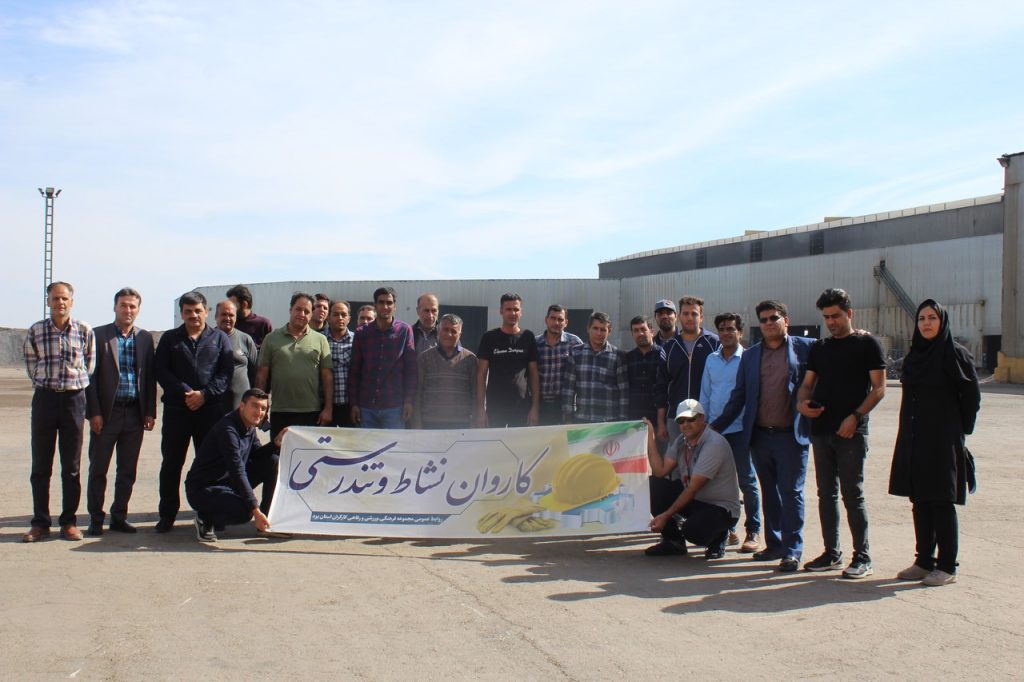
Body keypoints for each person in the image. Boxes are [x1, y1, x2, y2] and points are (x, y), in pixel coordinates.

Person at [712, 300, 814, 572]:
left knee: (791, 493)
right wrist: (714, 428)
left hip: (790, 436)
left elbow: (838, 347)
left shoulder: (807, 347)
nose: (769, 323)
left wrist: (859, 335)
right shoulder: (751, 356)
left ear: (786, 320)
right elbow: (739, 397)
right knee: (769, 493)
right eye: (764, 319)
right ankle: (774, 544)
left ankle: (792, 551)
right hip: (760, 436)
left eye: (774, 318)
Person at [889, 299, 980, 587]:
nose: (926, 323)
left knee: (941, 501)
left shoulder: (956, 355)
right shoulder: (914, 356)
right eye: (921, 318)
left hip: (943, 439)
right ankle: (924, 561)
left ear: (943, 321)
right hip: (914, 436)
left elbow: (972, 398)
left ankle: (947, 565)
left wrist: (959, 431)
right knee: (920, 499)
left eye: (932, 318)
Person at [797, 289, 886, 578]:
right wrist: (802, 404)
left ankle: (862, 556)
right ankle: (831, 553)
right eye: (826, 317)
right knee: (826, 495)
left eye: (835, 316)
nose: (831, 322)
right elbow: (807, 385)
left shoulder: (867, 344)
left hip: (851, 433)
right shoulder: (820, 348)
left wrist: (856, 417)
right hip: (821, 430)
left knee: (852, 494)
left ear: (849, 313)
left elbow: (879, 388)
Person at [154, 291, 234, 533]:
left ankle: (211, 514)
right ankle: (167, 514)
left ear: (206, 312)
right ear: (181, 314)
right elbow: (161, 370)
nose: (193, 315)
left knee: (210, 464)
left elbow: (225, 372)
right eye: (188, 311)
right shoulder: (170, 339)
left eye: (198, 311)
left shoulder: (219, 338)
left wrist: (205, 395)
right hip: (177, 410)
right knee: (172, 463)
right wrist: (187, 392)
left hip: (210, 411)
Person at [22, 281, 96, 542]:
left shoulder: (84, 330)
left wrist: (71, 384)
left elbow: (90, 364)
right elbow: (31, 364)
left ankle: (69, 522)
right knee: (41, 465)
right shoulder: (37, 330)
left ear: (71, 302)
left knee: (71, 467)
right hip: (45, 399)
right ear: (48, 302)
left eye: (64, 298)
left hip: (74, 401)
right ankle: (40, 522)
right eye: (55, 298)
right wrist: (47, 384)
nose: (60, 303)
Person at [84, 287, 156, 536]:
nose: (128, 310)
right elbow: (90, 378)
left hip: (134, 414)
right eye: (123, 305)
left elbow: (149, 377)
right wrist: (94, 412)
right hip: (107, 414)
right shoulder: (98, 335)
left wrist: (149, 411)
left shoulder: (144, 338)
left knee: (127, 470)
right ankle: (95, 518)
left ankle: (119, 516)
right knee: (98, 469)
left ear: (138, 309)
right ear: (115, 307)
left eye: (132, 306)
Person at [645, 400, 741, 560]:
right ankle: (674, 542)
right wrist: (650, 437)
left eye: (691, 419)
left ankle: (719, 535)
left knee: (692, 531)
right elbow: (660, 471)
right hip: (696, 500)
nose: (685, 424)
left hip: (720, 508)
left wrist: (665, 516)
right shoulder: (681, 441)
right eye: (681, 421)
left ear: (702, 418)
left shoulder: (714, 444)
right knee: (653, 485)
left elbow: (693, 488)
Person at [185, 389, 280, 542]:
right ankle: (205, 519)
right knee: (245, 512)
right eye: (254, 406)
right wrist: (255, 509)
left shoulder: (249, 425)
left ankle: (267, 520)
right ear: (242, 406)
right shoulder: (228, 429)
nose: (259, 412)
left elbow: (256, 455)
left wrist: (275, 443)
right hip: (203, 489)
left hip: (228, 483)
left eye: (263, 408)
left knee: (273, 461)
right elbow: (237, 470)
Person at [700, 312, 760, 554]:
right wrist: (704, 426)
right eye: (722, 329)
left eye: (731, 329)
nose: (726, 333)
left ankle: (753, 530)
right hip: (715, 431)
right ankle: (727, 531)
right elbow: (706, 394)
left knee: (747, 481)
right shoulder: (711, 360)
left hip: (740, 431)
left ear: (740, 332)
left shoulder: (749, 359)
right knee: (718, 485)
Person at [255, 292, 333, 439]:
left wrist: (328, 408)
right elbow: (262, 374)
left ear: (311, 314)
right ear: (290, 310)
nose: (302, 314)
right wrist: (260, 405)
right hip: (280, 411)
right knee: (279, 451)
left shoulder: (321, 340)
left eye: (307, 311)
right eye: (298, 309)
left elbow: (327, 377)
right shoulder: (271, 339)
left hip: (311, 411)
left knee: (307, 453)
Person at [349, 286, 417, 429]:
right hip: (366, 406)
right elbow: (355, 370)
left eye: (389, 303)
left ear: (395, 306)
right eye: (381, 302)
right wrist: (354, 403)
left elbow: (410, 370)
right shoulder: (362, 333)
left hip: (394, 406)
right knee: (367, 444)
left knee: (394, 443)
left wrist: (408, 401)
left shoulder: (405, 330)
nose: (385, 306)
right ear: (375, 305)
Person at [475, 293, 540, 428]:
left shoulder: (528, 337)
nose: (512, 313)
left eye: (516, 309)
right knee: (495, 442)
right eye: (508, 309)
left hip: (522, 407)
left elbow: (534, 374)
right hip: (495, 407)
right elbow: (481, 374)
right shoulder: (489, 337)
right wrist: (480, 409)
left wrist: (535, 407)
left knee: (520, 442)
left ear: (521, 312)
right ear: (501, 311)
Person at [664, 296, 720, 442]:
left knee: (704, 455)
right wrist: (661, 421)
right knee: (677, 455)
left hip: (704, 417)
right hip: (676, 418)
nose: (690, 317)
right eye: (686, 313)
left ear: (701, 317)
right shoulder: (669, 346)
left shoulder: (714, 343)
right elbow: (661, 385)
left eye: (694, 314)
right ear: (679, 317)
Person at [562, 312, 629, 423]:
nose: (599, 333)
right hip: (582, 419)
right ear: (588, 329)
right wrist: (568, 417)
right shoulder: (576, 353)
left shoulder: (618, 356)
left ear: (609, 332)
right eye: (595, 328)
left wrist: (622, 420)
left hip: (609, 421)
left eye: (603, 330)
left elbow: (623, 392)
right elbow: (569, 389)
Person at [414, 314, 478, 429]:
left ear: (460, 334)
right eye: (445, 330)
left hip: (462, 424)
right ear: (438, 331)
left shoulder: (470, 359)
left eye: (454, 331)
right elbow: (418, 392)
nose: (449, 334)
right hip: (430, 423)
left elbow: (475, 393)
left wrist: (474, 420)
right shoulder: (424, 358)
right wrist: (417, 422)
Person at [535, 305, 583, 425]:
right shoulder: (535, 343)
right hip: (540, 405)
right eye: (553, 318)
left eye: (560, 319)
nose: (556, 322)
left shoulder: (575, 343)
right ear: (546, 320)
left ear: (566, 322)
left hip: (564, 405)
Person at [624, 315, 668, 440]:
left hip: (659, 424)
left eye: (643, 329)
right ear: (632, 334)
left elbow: (664, 390)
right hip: (633, 424)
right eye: (636, 330)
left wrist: (661, 422)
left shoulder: (664, 356)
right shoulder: (627, 359)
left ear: (652, 331)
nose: (640, 333)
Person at [215, 299, 259, 410]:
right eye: (223, 314)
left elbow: (255, 372)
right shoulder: (208, 340)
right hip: (214, 406)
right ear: (216, 316)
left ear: (236, 317)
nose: (227, 318)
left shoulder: (245, 339)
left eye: (231, 315)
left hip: (242, 408)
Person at [326, 299, 355, 427]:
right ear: (328, 317)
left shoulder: (357, 340)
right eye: (336, 314)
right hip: (325, 406)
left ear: (349, 318)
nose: (340, 318)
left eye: (343, 314)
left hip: (351, 406)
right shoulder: (319, 340)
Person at [226, 284, 273, 348]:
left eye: (232, 304)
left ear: (244, 304)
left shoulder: (263, 324)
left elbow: (271, 349)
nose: (229, 308)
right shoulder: (228, 323)